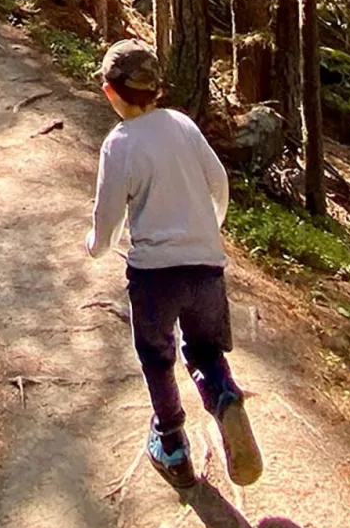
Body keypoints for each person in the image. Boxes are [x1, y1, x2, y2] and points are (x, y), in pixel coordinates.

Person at [86, 39, 262, 490]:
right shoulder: (183, 125)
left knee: (157, 356)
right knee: (205, 350)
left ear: (110, 92)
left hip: (153, 276)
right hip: (205, 267)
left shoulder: (119, 144)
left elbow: (108, 217)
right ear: (158, 90)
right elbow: (217, 181)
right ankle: (224, 398)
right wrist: (210, 226)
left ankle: (172, 444)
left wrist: (97, 246)